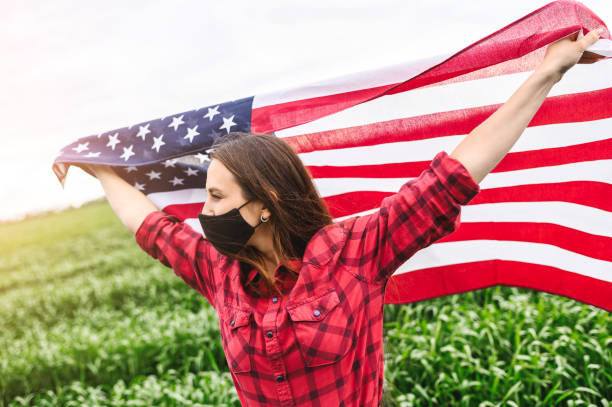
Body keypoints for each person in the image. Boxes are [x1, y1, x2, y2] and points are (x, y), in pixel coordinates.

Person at [82, 29, 604, 406]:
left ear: (264, 203)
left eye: (217, 196)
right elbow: (150, 228)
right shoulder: (219, 271)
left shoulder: (353, 251)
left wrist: (546, 75)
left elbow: (452, 177)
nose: (206, 212)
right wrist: (97, 166)